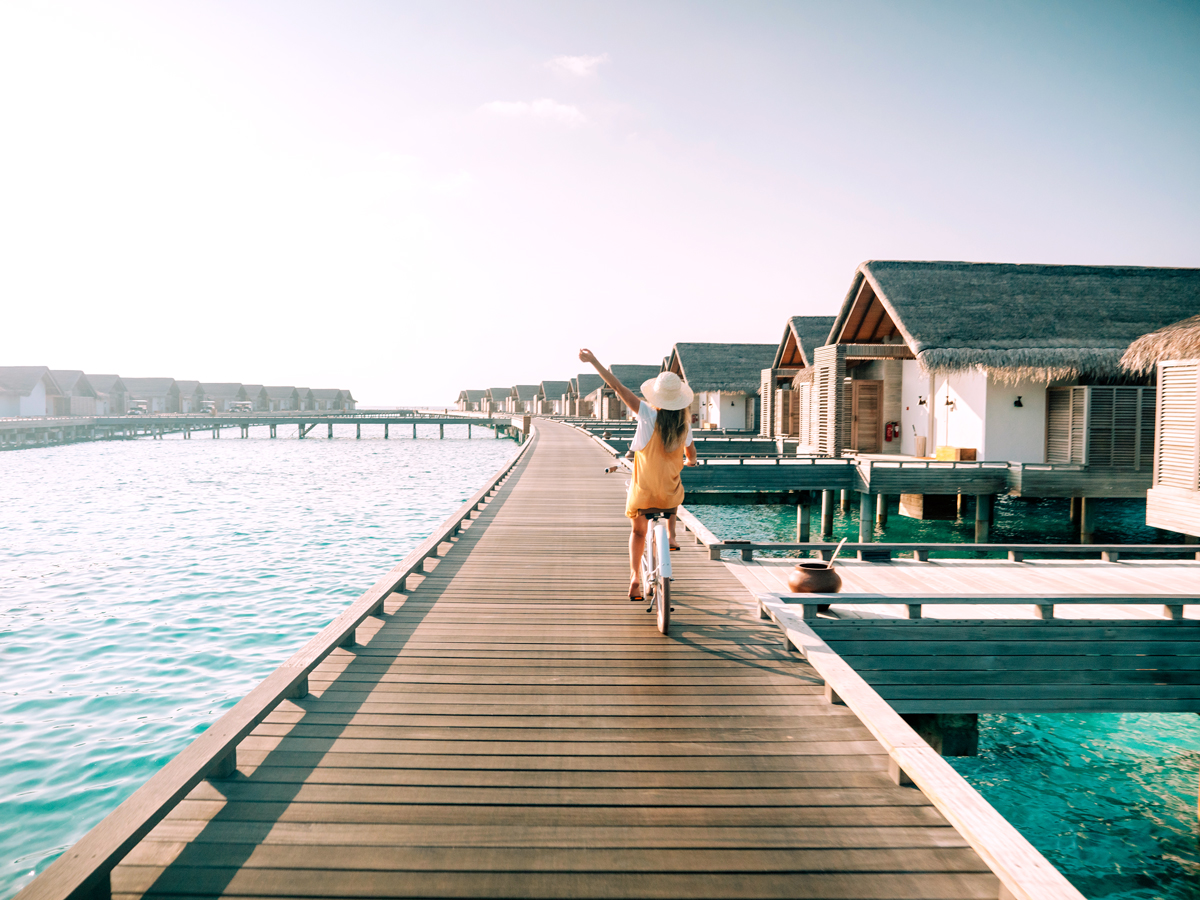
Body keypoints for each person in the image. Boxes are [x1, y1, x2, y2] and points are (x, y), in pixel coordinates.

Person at [579, 349, 697, 600]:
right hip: (668, 495)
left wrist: (593, 361)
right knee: (675, 495)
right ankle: (672, 535)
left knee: (638, 532)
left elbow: (617, 387)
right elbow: (692, 454)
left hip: (643, 492)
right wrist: (690, 461)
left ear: (657, 395)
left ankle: (634, 577)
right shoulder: (684, 425)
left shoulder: (647, 414)